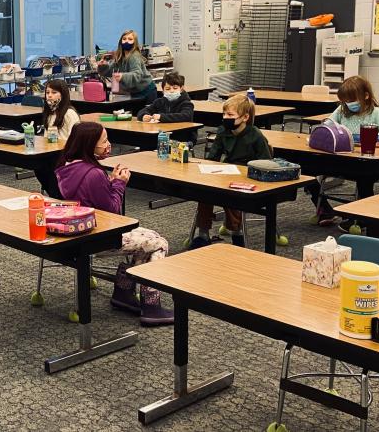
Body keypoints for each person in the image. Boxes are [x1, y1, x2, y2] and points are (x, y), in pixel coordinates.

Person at [53, 122, 173, 326]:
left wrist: (107, 183)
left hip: (78, 230)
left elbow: (89, 197)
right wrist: (119, 183)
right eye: (104, 141)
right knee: (160, 243)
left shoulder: (67, 166)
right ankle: (151, 304)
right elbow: (113, 213)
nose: (108, 145)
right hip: (98, 237)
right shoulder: (93, 174)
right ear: (89, 145)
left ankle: (124, 293)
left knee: (149, 237)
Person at [191, 95, 271, 248]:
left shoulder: (256, 135)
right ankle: (203, 234)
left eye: (230, 115)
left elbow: (266, 162)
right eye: (224, 114)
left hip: (248, 176)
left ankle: (237, 233)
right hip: (227, 171)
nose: (225, 118)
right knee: (204, 191)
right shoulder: (223, 131)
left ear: (245, 117)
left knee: (231, 193)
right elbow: (213, 156)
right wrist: (206, 169)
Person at [310, 76, 379, 228]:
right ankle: (325, 210)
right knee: (307, 170)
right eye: (345, 101)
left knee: (365, 179)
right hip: (341, 159)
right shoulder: (342, 110)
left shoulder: (376, 113)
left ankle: (364, 218)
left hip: (365, 161)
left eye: (352, 100)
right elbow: (328, 125)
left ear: (366, 96)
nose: (349, 104)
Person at [34, 79, 79, 199]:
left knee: (50, 169)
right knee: (38, 166)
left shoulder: (69, 113)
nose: (49, 95)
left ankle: (59, 196)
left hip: (65, 155)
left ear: (63, 94)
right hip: (51, 152)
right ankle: (55, 195)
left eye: (54, 92)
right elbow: (46, 137)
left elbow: (75, 138)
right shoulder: (50, 113)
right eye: (47, 92)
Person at [97, 29, 157, 104]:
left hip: (146, 91)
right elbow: (110, 71)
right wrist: (103, 66)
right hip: (134, 92)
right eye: (124, 39)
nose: (126, 41)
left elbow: (137, 74)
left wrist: (122, 76)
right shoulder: (120, 56)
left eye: (130, 39)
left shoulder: (134, 56)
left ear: (134, 42)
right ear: (120, 41)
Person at [137, 71, 195, 143]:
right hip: (163, 134)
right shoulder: (159, 102)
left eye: (175, 88)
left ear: (181, 89)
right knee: (146, 142)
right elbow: (143, 111)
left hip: (182, 136)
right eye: (168, 89)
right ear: (163, 91)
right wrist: (144, 116)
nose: (171, 91)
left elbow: (186, 116)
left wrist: (161, 117)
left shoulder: (186, 103)